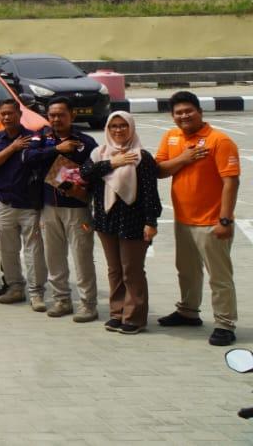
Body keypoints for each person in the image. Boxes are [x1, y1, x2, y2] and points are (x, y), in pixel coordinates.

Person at [154, 90, 241, 346]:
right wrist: (183, 158)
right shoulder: (170, 137)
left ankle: (225, 324)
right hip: (183, 220)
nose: (183, 116)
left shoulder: (219, 140)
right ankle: (188, 312)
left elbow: (231, 182)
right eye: (178, 113)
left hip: (212, 222)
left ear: (200, 112)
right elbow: (158, 170)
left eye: (188, 111)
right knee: (187, 271)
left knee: (219, 277)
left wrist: (224, 220)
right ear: (172, 117)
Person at [80, 112, 161, 335]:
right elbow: (84, 173)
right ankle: (117, 312)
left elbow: (150, 193)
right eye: (114, 126)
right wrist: (112, 163)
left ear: (131, 128)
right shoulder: (99, 153)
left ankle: (134, 317)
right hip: (106, 220)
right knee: (114, 270)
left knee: (132, 270)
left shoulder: (141, 157)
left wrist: (151, 222)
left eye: (123, 126)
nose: (118, 130)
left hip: (133, 221)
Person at [26, 97, 98, 323]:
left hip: (76, 208)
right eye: (52, 115)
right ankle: (62, 300)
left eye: (61, 115)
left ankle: (88, 304)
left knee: (82, 257)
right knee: (54, 256)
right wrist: (57, 149)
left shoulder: (86, 142)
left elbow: (95, 172)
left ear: (72, 116)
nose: (56, 119)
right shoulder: (41, 138)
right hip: (49, 207)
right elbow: (28, 158)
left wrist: (82, 188)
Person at [0, 98, 46, 310]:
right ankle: (15, 287)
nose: (7, 117)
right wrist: (13, 148)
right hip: (5, 203)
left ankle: (36, 293)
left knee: (33, 251)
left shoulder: (34, 137)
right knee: (7, 250)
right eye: (3, 114)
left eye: (11, 113)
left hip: (29, 204)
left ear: (19, 114)